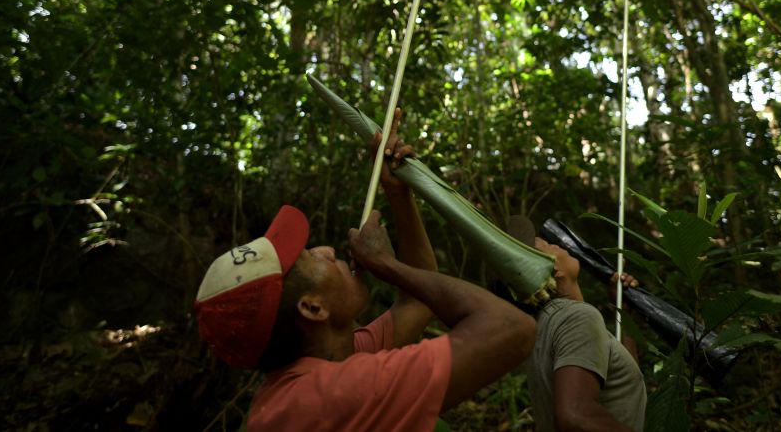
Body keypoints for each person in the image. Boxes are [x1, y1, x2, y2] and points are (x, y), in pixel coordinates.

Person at [194, 110, 536, 432]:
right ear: (313, 308)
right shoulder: (326, 396)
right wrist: (385, 264)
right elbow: (511, 328)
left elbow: (416, 305)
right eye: (311, 257)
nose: (326, 249)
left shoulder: (320, 368)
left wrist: (398, 193)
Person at [507, 215, 647, 432]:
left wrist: (623, 312)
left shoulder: (543, 326)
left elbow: (621, 388)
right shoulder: (577, 318)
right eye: (548, 245)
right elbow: (575, 415)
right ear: (555, 271)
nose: (556, 243)